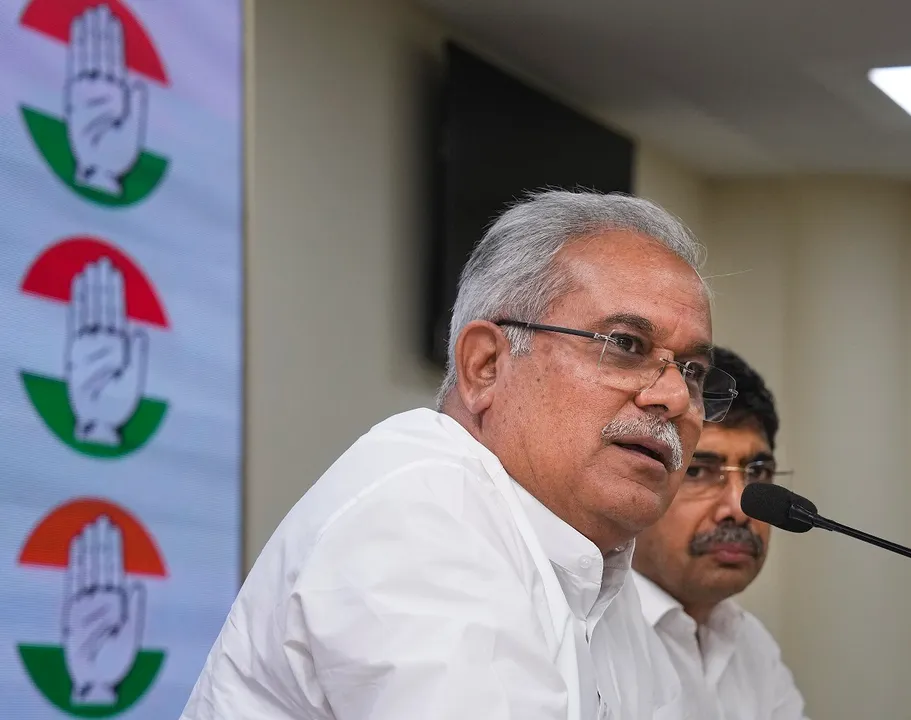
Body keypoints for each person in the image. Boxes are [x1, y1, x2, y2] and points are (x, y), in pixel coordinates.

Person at [180, 190, 741, 719]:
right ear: (485, 367)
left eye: (692, 372)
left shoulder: (598, 571)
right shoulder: (421, 513)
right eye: (625, 346)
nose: (673, 397)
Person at [631, 346, 808, 720]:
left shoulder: (750, 644)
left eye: (757, 472)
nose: (739, 510)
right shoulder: (585, 626)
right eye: (697, 472)